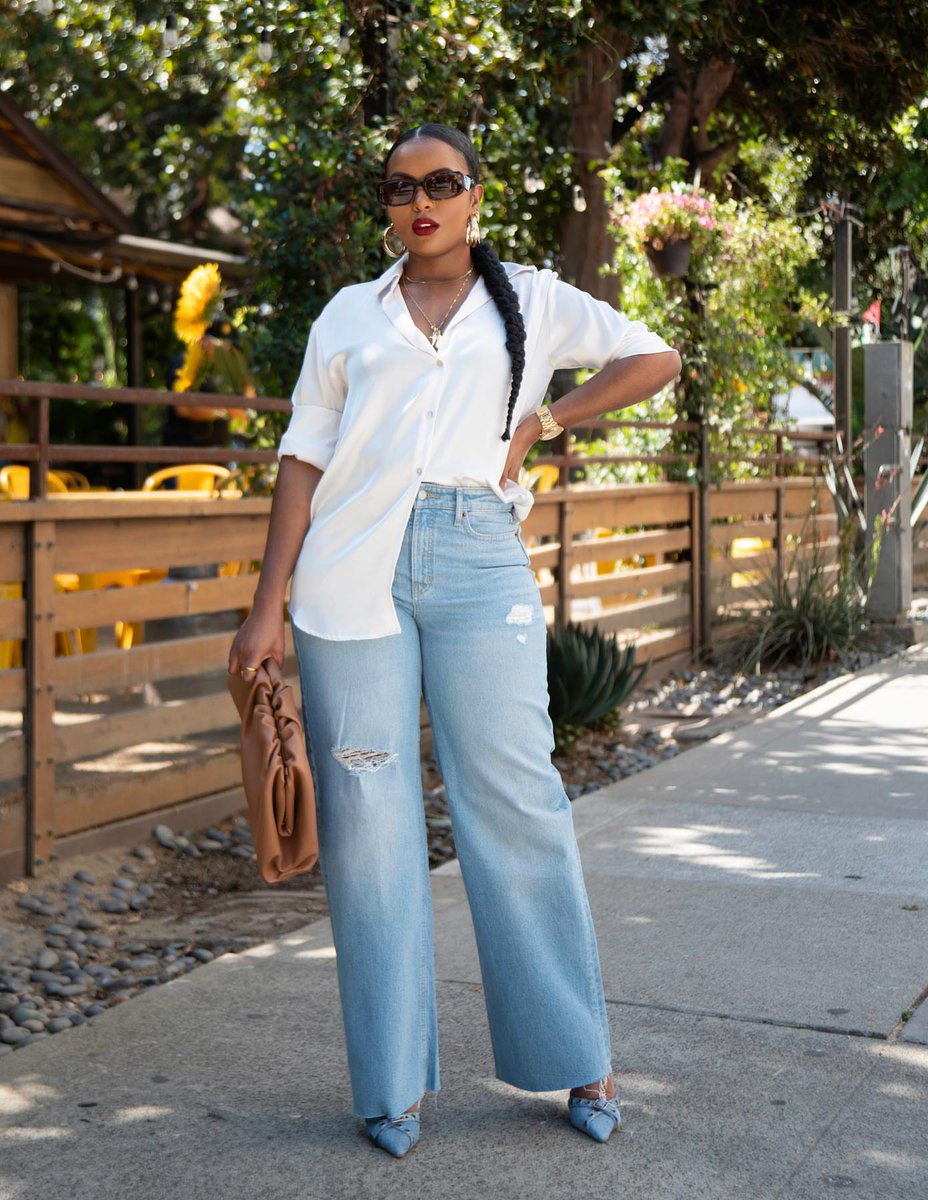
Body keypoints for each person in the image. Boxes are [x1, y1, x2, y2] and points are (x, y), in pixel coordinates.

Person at [228, 122, 681, 1158]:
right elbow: (302, 459)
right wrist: (266, 605)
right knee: (369, 815)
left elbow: (659, 355)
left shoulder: (531, 297)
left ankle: (577, 1055)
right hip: (351, 578)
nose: (420, 200)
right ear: (385, 205)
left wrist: (546, 422)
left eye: (442, 182)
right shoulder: (349, 316)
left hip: (480, 560)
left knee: (516, 800)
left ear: (476, 193)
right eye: (400, 186)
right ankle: (389, 1084)